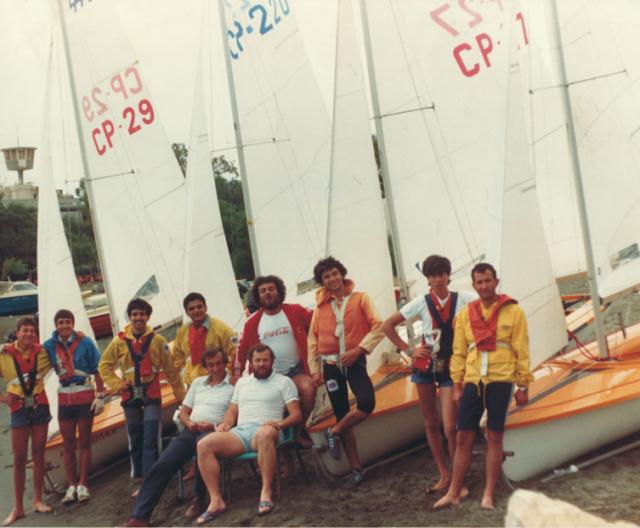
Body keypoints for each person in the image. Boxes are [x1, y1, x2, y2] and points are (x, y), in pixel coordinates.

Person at [433, 263, 533, 511]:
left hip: (501, 379)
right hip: (473, 381)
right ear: (474, 285)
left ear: (496, 282)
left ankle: (488, 494)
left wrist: (523, 385)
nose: (484, 286)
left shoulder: (514, 312)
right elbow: (458, 353)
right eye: (479, 282)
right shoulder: (465, 315)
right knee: (462, 437)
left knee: (494, 437)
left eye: (488, 281)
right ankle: (454, 492)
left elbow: (521, 349)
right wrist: (457, 386)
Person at [381, 255, 476, 494]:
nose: (438, 279)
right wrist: (409, 350)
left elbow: (489, 307)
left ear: (448, 275)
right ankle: (444, 474)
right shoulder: (420, 302)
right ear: (428, 279)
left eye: (442, 274)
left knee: (450, 427)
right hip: (425, 366)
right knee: (431, 423)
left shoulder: (465, 299)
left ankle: (458, 479)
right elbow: (387, 326)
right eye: (433, 275)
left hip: (450, 367)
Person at [124, 347, 234, 527]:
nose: (215, 368)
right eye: (211, 365)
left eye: (219, 364)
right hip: (191, 429)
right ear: (205, 366)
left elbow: (233, 414)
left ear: (225, 363)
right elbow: (184, 411)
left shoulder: (234, 385)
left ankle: (199, 500)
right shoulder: (197, 383)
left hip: (215, 432)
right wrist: (188, 423)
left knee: (203, 448)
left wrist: (214, 426)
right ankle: (140, 517)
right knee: (163, 464)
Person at [196, 344, 301, 521]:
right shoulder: (242, 383)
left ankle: (266, 493)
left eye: (265, 360)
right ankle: (216, 501)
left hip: (268, 429)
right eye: (257, 360)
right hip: (241, 432)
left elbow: (296, 415)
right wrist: (226, 424)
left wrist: (280, 423)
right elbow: (232, 410)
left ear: (272, 361)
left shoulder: (284, 382)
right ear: (251, 363)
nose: (261, 364)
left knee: (264, 434)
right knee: (203, 444)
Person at [307, 256, 383, 485]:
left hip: (354, 362)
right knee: (342, 412)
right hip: (331, 367)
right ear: (322, 281)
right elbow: (313, 340)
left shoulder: (361, 298)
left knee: (366, 403)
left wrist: (359, 349)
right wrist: (314, 369)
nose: (332, 279)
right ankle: (357, 469)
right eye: (326, 277)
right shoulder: (320, 308)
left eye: (334, 274)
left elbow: (378, 326)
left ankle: (334, 432)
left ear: (341, 274)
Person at [98, 298, 185, 490]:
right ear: (129, 317)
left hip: (151, 393)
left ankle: (150, 479)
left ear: (148, 317)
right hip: (130, 395)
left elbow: (171, 371)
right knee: (135, 436)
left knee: (151, 435)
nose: (138, 318)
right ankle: (139, 475)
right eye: (135, 314)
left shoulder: (159, 341)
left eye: (142, 314)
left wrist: (181, 397)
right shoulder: (119, 342)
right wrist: (117, 384)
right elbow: (104, 366)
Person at [235, 275, 315, 447]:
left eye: (271, 289)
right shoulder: (252, 322)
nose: (267, 293)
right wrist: (236, 374)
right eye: (263, 291)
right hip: (267, 376)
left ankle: (298, 430)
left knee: (308, 388)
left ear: (279, 291)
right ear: (258, 296)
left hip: (295, 371)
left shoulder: (295, 310)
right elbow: (240, 351)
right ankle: (277, 444)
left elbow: (318, 324)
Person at [43, 309, 105, 504]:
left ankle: (83, 483)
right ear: (56, 325)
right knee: (68, 443)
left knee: (84, 442)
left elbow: (98, 369)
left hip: (85, 396)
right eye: (61, 322)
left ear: (73, 323)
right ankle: (71, 485)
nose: (64, 326)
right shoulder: (49, 345)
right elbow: (33, 356)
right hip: (65, 399)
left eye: (67, 322)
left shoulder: (85, 342)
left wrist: (100, 394)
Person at [0, 317, 53, 526]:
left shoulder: (43, 353)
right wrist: (3, 398)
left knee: (39, 454)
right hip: (18, 409)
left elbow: (63, 350)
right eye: (25, 330)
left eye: (32, 331)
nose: (29, 334)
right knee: (20, 457)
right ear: (17, 333)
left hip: (40, 405)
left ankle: (38, 500)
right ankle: (18, 508)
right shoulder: (4, 354)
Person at [172, 292, 237, 386]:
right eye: (191, 309)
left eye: (199, 307)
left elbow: (235, 351)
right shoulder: (183, 331)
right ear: (186, 312)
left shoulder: (222, 328)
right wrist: (183, 373)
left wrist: (228, 372)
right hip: (193, 383)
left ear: (205, 307)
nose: (196, 310)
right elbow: (177, 355)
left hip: (218, 380)